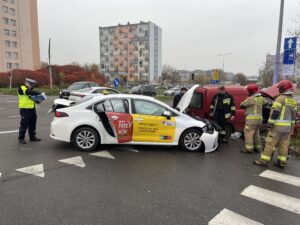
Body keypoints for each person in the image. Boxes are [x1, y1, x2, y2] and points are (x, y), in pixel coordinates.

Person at [253, 80, 297, 168]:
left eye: (280, 88)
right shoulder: (292, 100)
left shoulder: (280, 99)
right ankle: (282, 162)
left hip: (277, 127)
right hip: (287, 127)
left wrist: (270, 124)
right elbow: (294, 115)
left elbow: (275, 112)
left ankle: (264, 161)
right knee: (284, 144)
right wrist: (292, 126)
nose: (279, 89)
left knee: (270, 143)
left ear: (283, 89)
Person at [240, 83, 267, 153]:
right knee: (256, 133)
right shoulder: (260, 98)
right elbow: (266, 103)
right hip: (259, 119)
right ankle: (257, 148)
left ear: (250, 91)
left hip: (251, 120)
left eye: (248, 90)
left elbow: (242, 105)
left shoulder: (250, 98)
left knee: (248, 133)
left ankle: (248, 149)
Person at [18, 78, 41, 144]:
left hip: (32, 109)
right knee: (24, 124)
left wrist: (39, 99)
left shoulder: (31, 90)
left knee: (32, 124)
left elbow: (35, 100)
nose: (31, 86)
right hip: (25, 110)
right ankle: (21, 138)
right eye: (31, 84)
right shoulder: (22, 88)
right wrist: (37, 93)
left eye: (32, 85)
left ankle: (32, 137)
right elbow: (28, 92)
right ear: (26, 83)